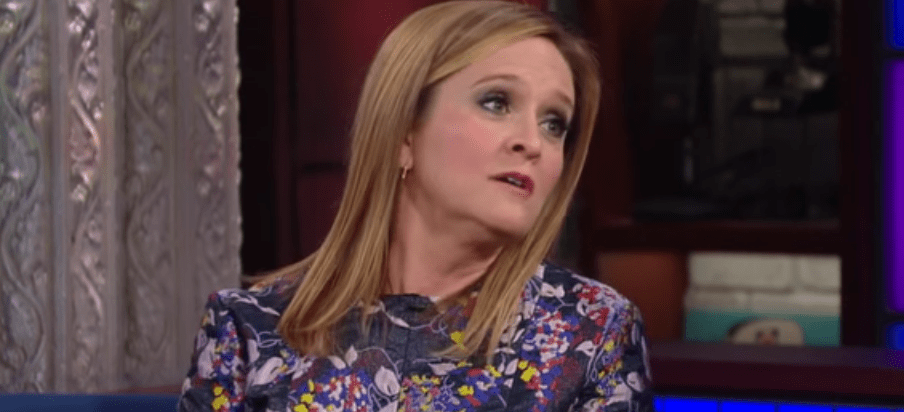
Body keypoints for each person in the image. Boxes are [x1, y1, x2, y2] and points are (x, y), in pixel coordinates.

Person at [179, 1, 653, 411]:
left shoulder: (592, 333)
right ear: (404, 133)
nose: (532, 142)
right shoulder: (249, 330)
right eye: (496, 102)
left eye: (554, 123)